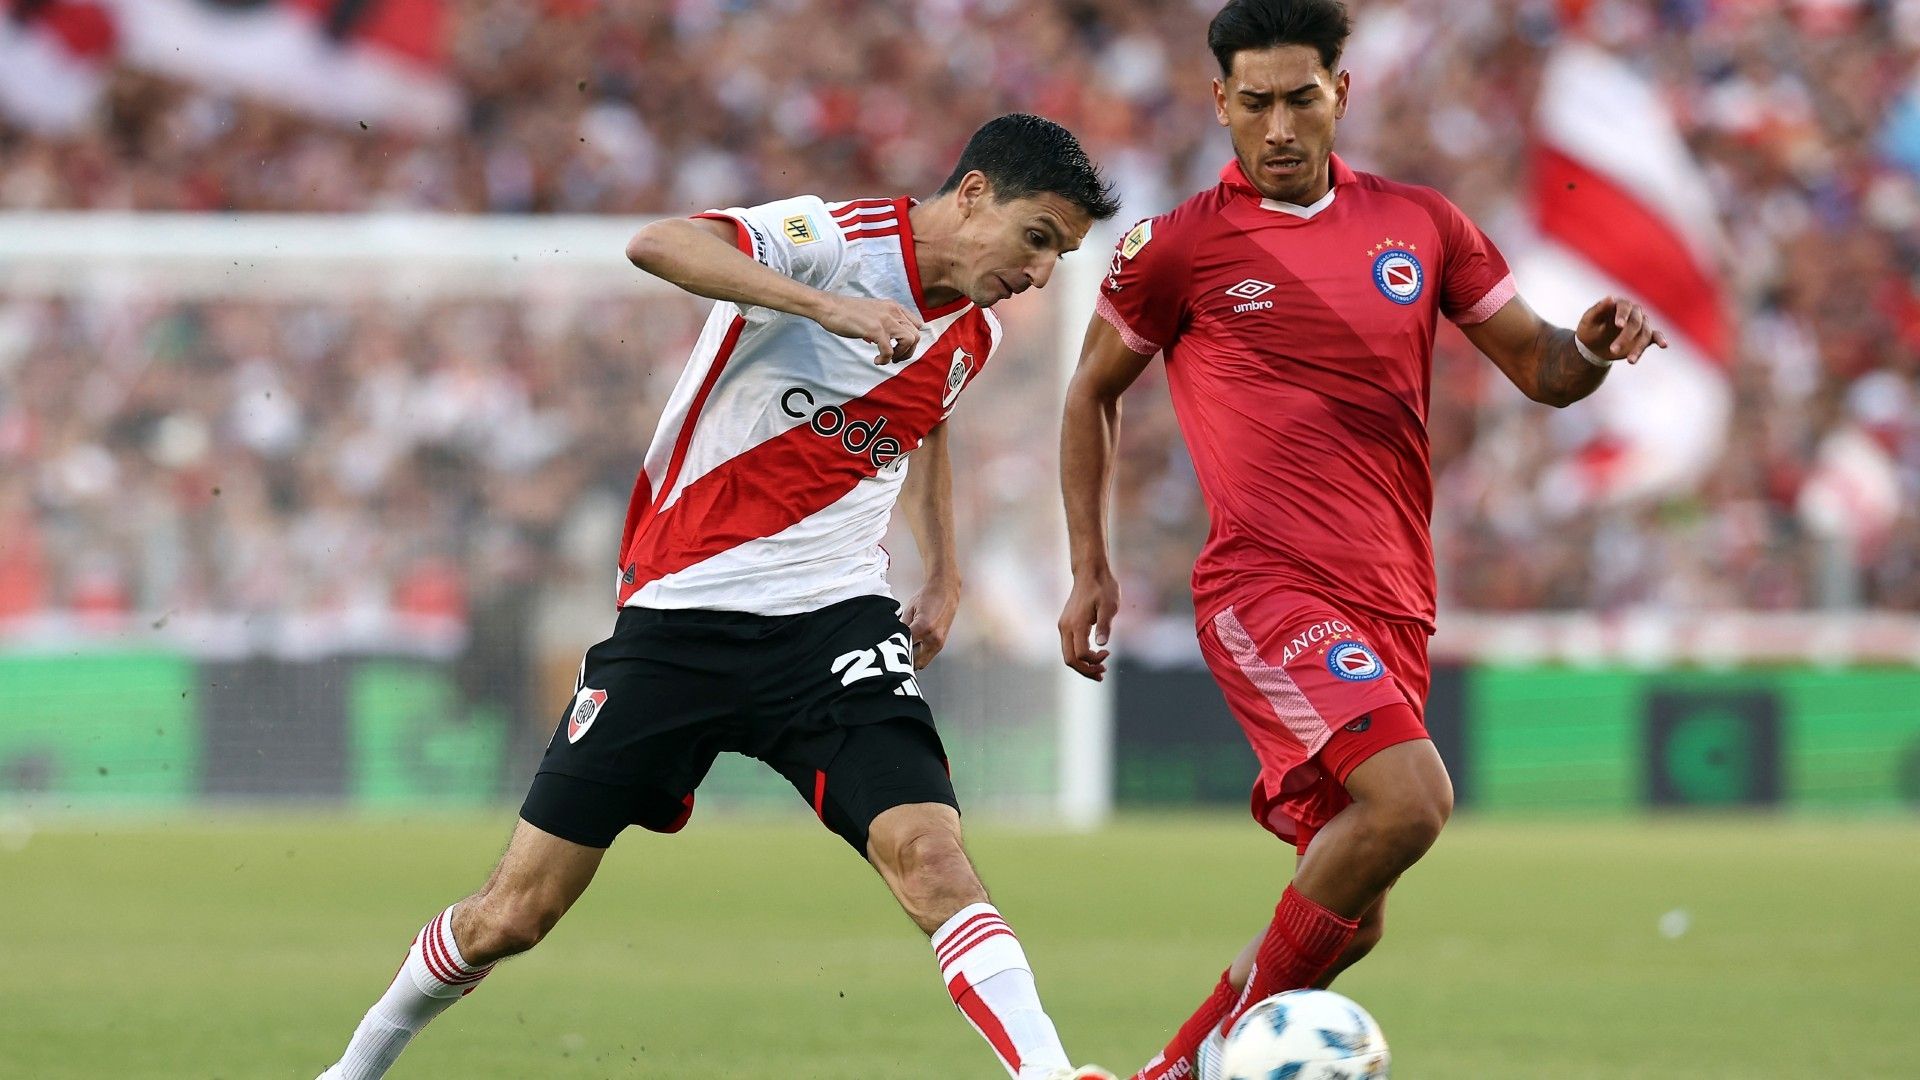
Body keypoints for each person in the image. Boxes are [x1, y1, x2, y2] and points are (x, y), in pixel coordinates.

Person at [317, 113, 1121, 1080]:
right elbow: (659, 242)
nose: (1041, 274)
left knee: (932, 858)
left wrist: (943, 570)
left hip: (833, 627)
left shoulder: (973, 335)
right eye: (1039, 239)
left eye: (1060, 257)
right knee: (514, 915)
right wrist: (827, 309)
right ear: (978, 190)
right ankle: (353, 1069)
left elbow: (924, 421)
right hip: (678, 621)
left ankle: (1049, 1072)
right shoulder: (834, 241)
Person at [1055, 4, 1668, 1078]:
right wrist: (1091, 566)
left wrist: (1593, 346)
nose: (1279, 126)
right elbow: (1089, 395)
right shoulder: (1182, 246)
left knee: (1360, 906)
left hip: (1394, 602)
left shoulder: (1424, 225)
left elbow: (1541, 370)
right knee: (1412, 799)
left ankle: (1169, 1073)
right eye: (1255, 103)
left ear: (1345, 92)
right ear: (1220, 104)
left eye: (1301, 98)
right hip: (1266, 587)